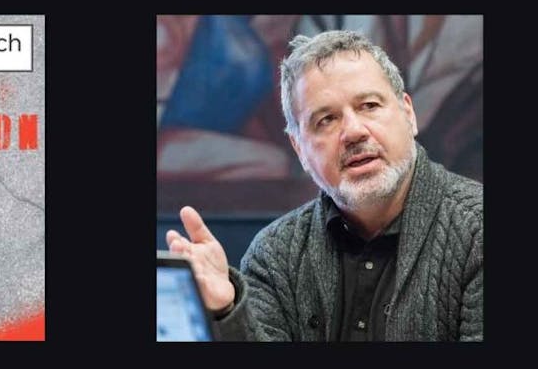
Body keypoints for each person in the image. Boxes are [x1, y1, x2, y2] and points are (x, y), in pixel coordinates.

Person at [165, 30, 483, 341]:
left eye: (369, 105)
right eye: (326, 120)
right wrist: (227, 311)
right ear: (299, 148)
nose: (354, 131)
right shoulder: (275, 254)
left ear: (408, 113)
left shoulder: (476, 231)